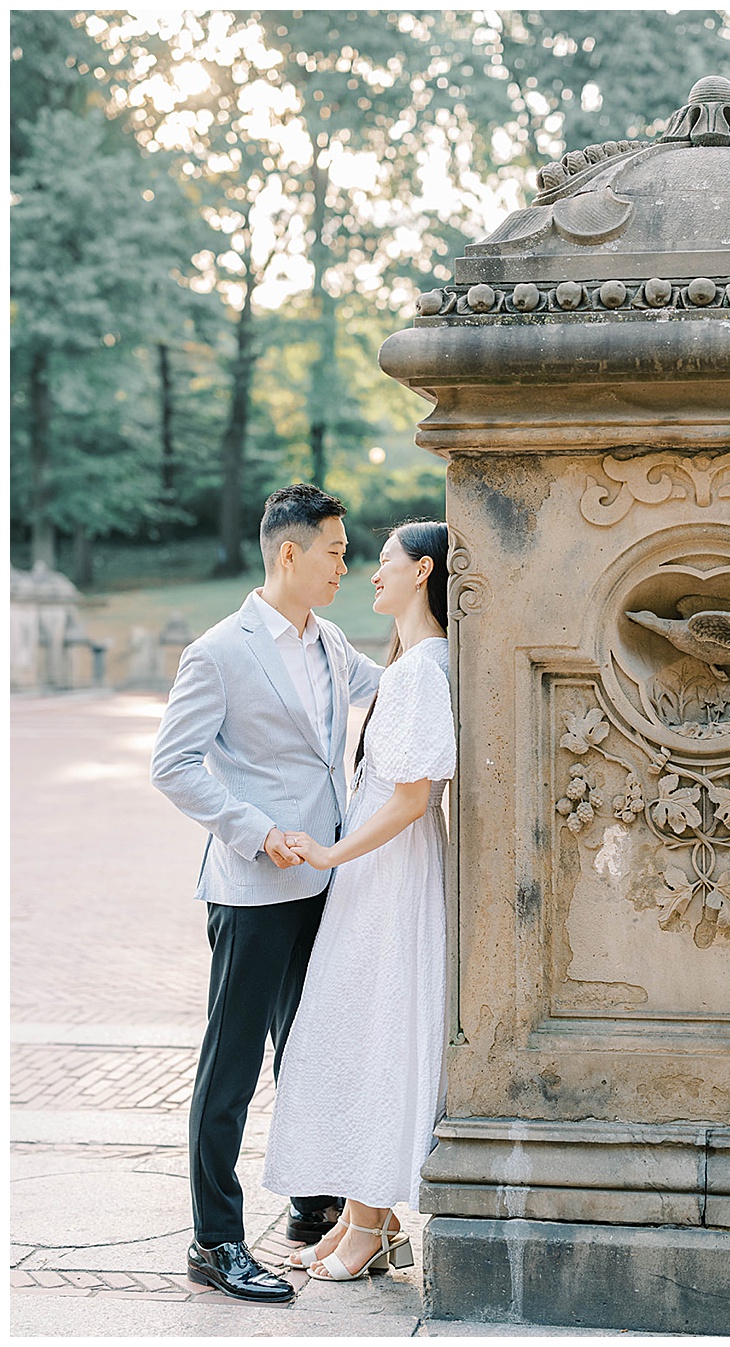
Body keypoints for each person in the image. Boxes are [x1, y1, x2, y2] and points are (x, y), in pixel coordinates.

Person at [151, 484, 385, 1303]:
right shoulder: (220, 650)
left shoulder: (328, 642)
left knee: (314, 1047)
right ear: (289, 552)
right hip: (253, 885)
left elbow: (392, 684)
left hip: (327, 877)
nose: (345, 566)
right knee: (232, 1066)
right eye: (335, 551)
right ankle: (214, 1239)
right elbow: (172, 765)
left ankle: (312, 1205)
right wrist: (255, 829)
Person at [261, 521, 455, 1281]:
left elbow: (412, 797)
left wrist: (334, 852)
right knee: (359, 1030)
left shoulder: (423, 670)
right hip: (379, 874)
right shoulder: (408, 663)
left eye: (383, 562)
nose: (371, 573)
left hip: (390, 872)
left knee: (380, 1034)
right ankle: (357, 1220)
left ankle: (371, 1226)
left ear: (424, 570)